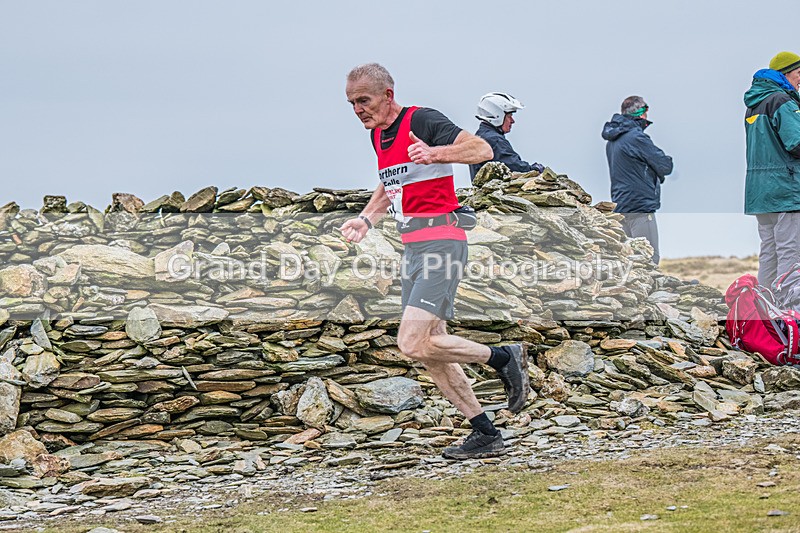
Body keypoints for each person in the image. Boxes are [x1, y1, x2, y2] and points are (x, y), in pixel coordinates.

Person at [340, 63, 531, 460]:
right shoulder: (378, 136)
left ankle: (502, 357)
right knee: (429, 350)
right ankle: (485, 433)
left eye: (364, 100)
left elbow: (483, 149)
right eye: (352, 103)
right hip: (413, 247)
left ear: (387, 95)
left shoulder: (421, 120)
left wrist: (435, 152)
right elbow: (392, 182)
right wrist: (365, 218)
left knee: (410, 342)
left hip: (442, 242)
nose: (358, 109)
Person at [744, 51, 800, 286]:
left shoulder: (754, 104)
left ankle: (766, 311)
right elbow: (796, 142)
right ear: (786, 73)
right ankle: (787, 311)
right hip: (785, 191)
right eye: (799, 72)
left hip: (760, 193)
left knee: (769, 253)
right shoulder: (782, 101)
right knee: (790, 252)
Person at [602, 96, 673, 264]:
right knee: (648, 258)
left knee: (630, 260)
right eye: (646, 110)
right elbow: (665, 165)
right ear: (641, 113)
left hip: (621, 206)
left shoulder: (612, 141)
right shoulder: (636, 138)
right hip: (640, 207)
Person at [469, 92, 545, 182]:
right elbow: (514, 165)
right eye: (509, 116)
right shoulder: (494, 140)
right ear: (497, 115)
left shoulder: (480, 136)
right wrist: (534, 169)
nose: (513, 121)